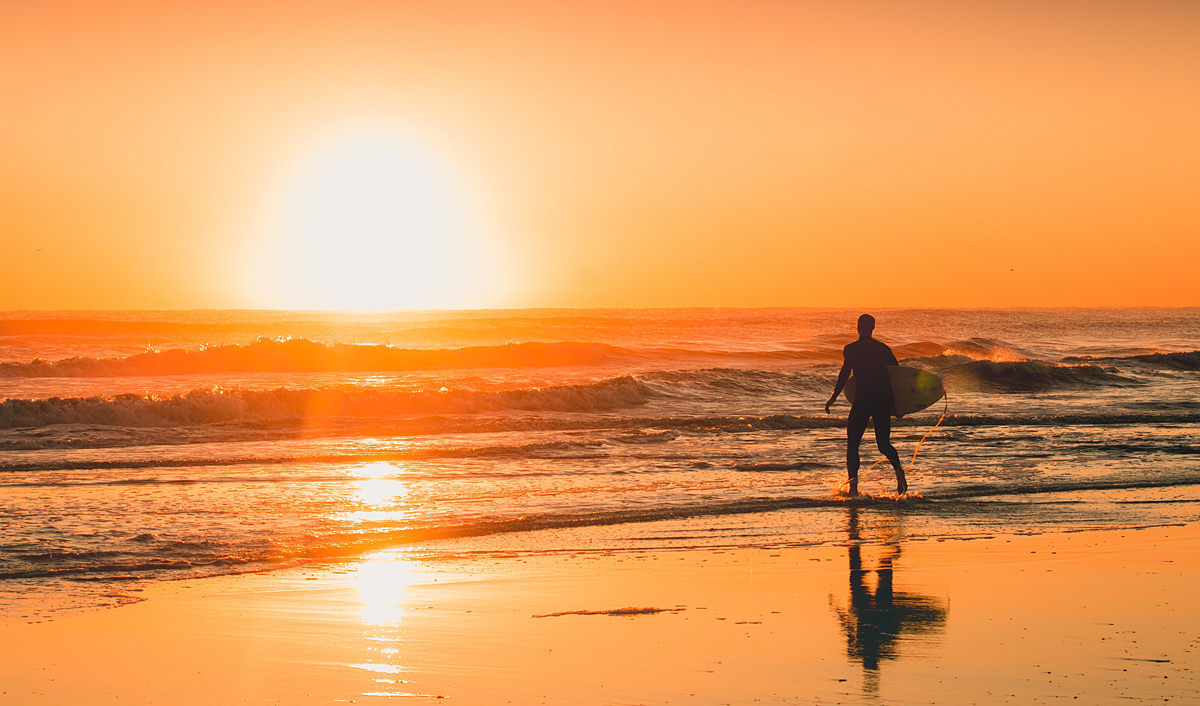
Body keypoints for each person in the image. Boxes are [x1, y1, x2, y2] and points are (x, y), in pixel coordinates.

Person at [824, 314, 907, 495]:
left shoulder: (851, 349)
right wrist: (898, 405)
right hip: (881, 400)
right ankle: (899, 472)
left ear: (857, 328)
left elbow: (845, 374)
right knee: (884, 444)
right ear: (873, 328)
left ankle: (853, 487)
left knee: (853, 444)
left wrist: (833, 397)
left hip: (862, 400)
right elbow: (896, 376)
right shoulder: (883, 349)